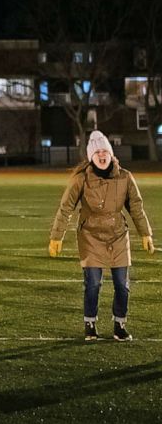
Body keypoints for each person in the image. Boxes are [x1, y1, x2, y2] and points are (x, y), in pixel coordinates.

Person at [48, 130, 153, 341]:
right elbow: (65, 208)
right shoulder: (81, 179)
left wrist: (145, 233)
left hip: (117, 235)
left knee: (122, 285)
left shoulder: (125, 177)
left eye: (105, 151)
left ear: (111, 154)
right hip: (90, 236)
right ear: (91, 157)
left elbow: (136, 207)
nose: (102, 155)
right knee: (93, 283)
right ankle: (90, 324)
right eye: (97, 153)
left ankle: (120, 325)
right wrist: (56, 236)